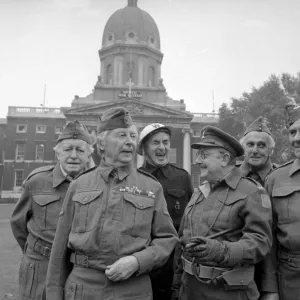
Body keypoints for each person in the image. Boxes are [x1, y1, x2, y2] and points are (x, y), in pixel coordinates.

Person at [45, 107, 178, 300]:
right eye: (121, 135)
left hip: (132, 289)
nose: (129, 142)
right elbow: (59, 249)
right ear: (101, 144)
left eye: (133, 136)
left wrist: (137, 261)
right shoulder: (79, 185)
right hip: (82, 288)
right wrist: (54, 294)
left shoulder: (151, 187)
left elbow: (167, 238)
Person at [172, 125, 273, 300]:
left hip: (227, 292)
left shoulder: (252, 191)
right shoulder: (198, 192)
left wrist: (222, 251)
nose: (197, 160)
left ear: (225, 159)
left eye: (204, 155)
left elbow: (260, 242)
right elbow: (182, 243)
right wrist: (176, 287)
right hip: (189, 291)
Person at [10, 120, 94, 300]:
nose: (73, 155)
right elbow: (18, 224)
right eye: (67, 149)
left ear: (89, 155)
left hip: (78, 268)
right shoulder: (37, 182)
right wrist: (37, 250)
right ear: (57, 153)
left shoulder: (96, 185)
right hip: (40, 265)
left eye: (80, 150)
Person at [137, 123, 194, 300]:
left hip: (175, 263)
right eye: (155, 143)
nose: (162, 147)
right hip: (144, 260)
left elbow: (191, 218)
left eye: (165, 142)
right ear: (144, 148)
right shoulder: (135, 178)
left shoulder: (182, 177)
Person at [238, 117, 279, 300]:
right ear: (243, 149)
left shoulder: (282, 177)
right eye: (250, 144)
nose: (255, 150)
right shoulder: (229, 177)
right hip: (238, 265)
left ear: (270, 150)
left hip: (278, 266)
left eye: (261, 145)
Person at [265, 104, 300, 300]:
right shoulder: (275, 179)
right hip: (291, 278)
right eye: (292, 132)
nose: (296, 139)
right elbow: (268, 241)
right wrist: (270, 289)